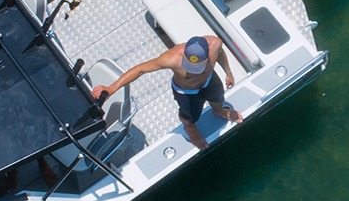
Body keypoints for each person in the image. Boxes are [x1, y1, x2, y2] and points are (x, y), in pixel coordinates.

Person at [92, 34, 241, 152]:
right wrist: (111, 88)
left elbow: (221, 53)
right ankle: (189, 127)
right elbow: (140, 69)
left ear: (208, 55)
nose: (192, 71)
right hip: (186, 92)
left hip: (209, 81)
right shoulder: (170, 58)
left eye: (197, 67)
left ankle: (219, 110)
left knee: (218, 97)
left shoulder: (215, 44)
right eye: (188, 66)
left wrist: (228, 72)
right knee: (190, 116)